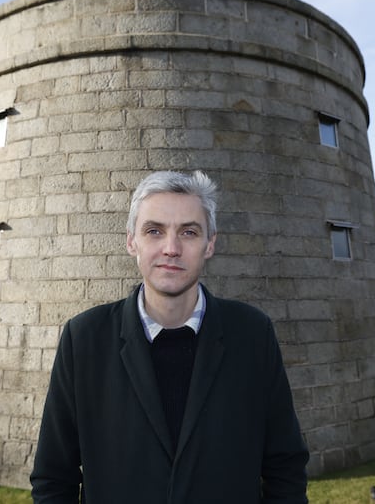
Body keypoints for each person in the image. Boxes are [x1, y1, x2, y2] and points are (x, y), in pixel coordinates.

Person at [30, 170, 309, 503]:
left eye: (189, 232)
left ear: (210, 243)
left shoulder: (253, 333)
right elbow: (53, 478)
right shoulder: (84, 339)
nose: (171, 248)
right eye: (154, 231)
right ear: (131, 240)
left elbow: (285, 468)